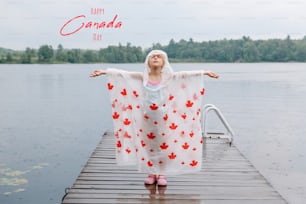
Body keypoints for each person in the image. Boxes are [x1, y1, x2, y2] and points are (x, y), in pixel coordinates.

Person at [90, 50, 219, 186]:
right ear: (148, 62)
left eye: (159, 56)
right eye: (152, 56)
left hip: (165, 119)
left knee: (164, 144)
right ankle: (152, 172)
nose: (155, 58)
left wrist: (204, 72)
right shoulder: (143, 77)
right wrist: (105, 72)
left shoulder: (169, 78)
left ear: (164, 62)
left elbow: (185, 75)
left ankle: (162, 173)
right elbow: (124, 75)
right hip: (146, 119)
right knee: (149, 145)